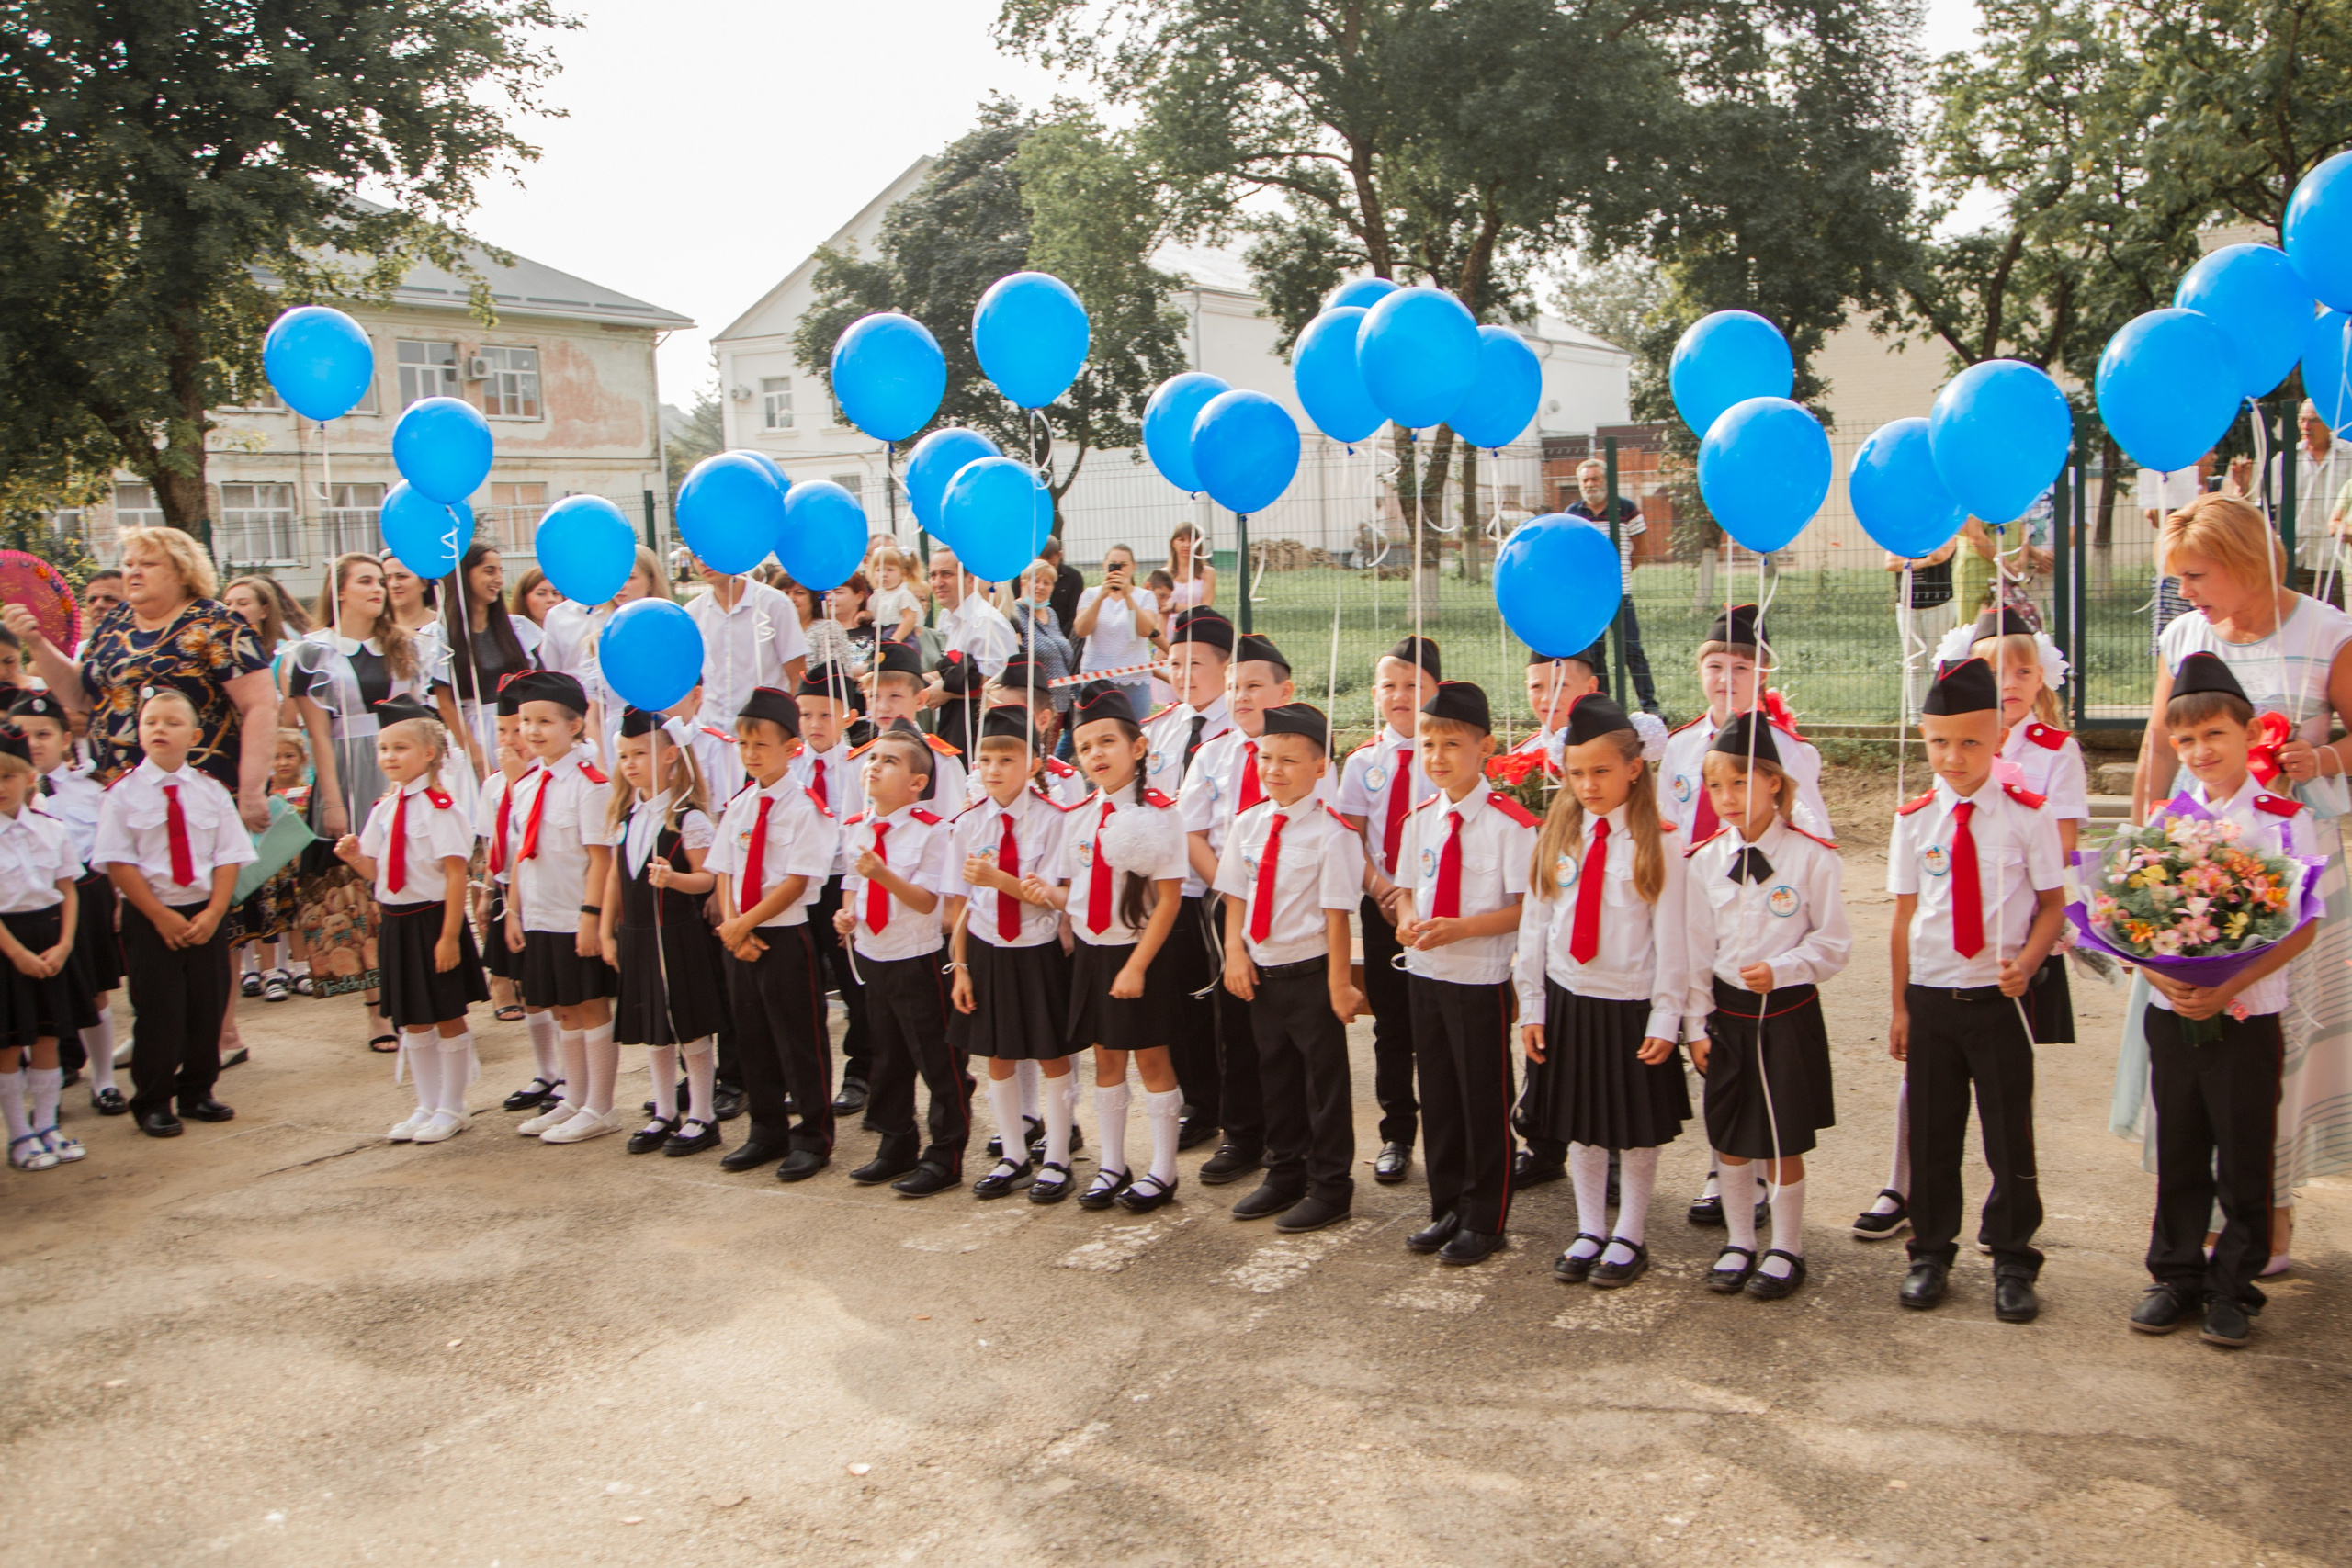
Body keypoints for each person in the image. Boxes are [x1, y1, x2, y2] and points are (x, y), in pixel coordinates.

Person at [2127, 492, 2352, 1278]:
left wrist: (2320, 760)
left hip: (2295, 877)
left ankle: (2270, 1220)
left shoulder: (2327, 631)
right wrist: (2144, 853)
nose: (2185, 592)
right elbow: (2160, 745)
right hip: (2195, 882)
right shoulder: (2184, 635)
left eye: (2197, 573)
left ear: (2245, 561)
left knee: (2273, 1050)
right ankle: (2199, 1230)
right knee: (2198, 1049)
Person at [2125, 652, 2319, 1348]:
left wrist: (2229, 984)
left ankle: (2234, 1284)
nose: (2200, 752)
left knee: (2243, 1155)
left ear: (2249, 733)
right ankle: (2175, 1274)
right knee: (2177, 1146)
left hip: (2247, 1014)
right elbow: (2134, 917)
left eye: (2214, 735)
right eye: (2185, 741)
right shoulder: (2166, 819)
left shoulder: (2282, 817)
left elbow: (2305, 924)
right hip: (2173, 1012)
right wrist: (2161, 977)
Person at [1887, 657, 2065, 1323]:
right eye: (1938, 740)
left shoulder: (2026, 815)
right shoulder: (1915, 819)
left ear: (1997, 735)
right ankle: (1930, 1251)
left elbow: (2053, 904)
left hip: (1999, 1002)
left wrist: (2029, 957)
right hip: (1932, 999)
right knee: (1933, 1135)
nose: (1953, 756)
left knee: (2007, 1134)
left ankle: (2014, 1258)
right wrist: (1900, 1005)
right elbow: (1904, 918)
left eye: (1969, 741)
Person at [1518, 692, 1682, 1283]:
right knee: (1582, 1122)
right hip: (1568, 999)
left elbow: (1673, 942)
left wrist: (1668, 1018)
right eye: (1577, 773)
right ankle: (1590, 1228)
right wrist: (1532, 1005)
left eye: (1602, 772)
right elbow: (1535, 925)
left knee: (1632, 1128)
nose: (1588, 785)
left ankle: (1630, 1235)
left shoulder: (1660, 841)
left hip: (1630, 1004)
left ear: (1635, 768)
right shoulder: (1558, 833)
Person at [1685, 715, 1850, 1300]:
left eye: (1739, 783)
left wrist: (1784, 969)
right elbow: (1695, 952)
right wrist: (1694, 1026)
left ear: (1774, 782)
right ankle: (1738, 1241)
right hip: (1725, 1018)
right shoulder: (1702, 862)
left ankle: (1786, 1247)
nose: (1726, 798)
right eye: (1715, 787)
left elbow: (1834, 944)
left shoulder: (1812, 859)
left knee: (1782, 1138)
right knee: (1728, 1134)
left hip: (1785, 1014)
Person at [1, 526, 275, 827]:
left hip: (200, 798)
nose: (134, 572)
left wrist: (251, 792)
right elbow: (79, 696)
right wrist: (37, 643)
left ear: (183, 572)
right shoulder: (116, 621)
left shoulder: (218, 624)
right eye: (129, 564)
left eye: (148, 564)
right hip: (120, 797)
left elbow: (260, 706)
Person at [1216, 701, 1364, 1234]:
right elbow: (1234, 895)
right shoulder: (1249, 824)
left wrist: (1340, 984)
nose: (1273, 770)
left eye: (1289, 761)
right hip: (1261, 973)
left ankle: (1331, 1187)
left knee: (1322, 1087)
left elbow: (1336, 915)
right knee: (1274, 1078)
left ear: (1321, 766)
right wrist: (1234, 953)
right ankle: (1284, 1173)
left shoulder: (1334, 834)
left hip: (1311, 976)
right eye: (1266, 757)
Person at [1052, 681, 1190, 1213]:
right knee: (1105, 1059)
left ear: (1138, 747)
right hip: (1093, 954)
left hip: (1141, 956)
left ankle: (1164, 1169)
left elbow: (1170, 903)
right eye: (1085, 746)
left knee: (1152, 1060)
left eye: (1107, 741)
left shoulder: (1163, 812)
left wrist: (1135, 967)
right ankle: (1112, 1163)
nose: (1095, 754)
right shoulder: (1079, 817)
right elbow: (1077, 893)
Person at [94, 689, 257, 1137]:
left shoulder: (211, 791)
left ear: (195, 735)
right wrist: (160, 916)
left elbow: (228, 856)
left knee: (207, 1005)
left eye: (171, 722)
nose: (159, 730)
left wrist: (215, 912)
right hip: (151, 915)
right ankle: (153, 1100)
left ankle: (197, 1090)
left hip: (205, 911)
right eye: (150, 722)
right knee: (159, 1010)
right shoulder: (121, 794)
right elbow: (118, 862)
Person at [288, 553, 436, 1042]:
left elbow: (421, 719)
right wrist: (332, 802)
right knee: (356, 894)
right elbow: (317, 737)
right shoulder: (313, 653)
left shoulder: (404, 647)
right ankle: (377, 1008)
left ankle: (418, 995)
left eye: (382, 581)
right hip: (347, 775)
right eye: (366, 581)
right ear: (340, 590)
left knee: (408, 880)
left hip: (399, 769)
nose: (379, 588)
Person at [334, 697, 486, 1145]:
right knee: (411, 1019)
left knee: (446, 1015)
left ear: (429, 754)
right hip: (397, 924)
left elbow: (457, 873)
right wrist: (354, 858)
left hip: (433, 921)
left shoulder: (442, 808)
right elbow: (379, 874)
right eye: (384, 749)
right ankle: (425, 1103)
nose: (389, 757)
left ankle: (453, 1106)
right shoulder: (382, 809)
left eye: (400, 748)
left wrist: (450, 937)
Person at [1180, 631, 1302, 1186]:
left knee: (1289, 1030)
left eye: (1254, 685)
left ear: (1285, 691)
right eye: (1233, 687)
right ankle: (1242, 1135)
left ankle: (1293, 1142)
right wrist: (1234, 892)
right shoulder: (1211, 755)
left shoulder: (1303, 753)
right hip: (1227, 902)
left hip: (1293, 910)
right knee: (1234, 1023)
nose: (1241, 696)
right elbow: (1194, 834)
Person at [707, 686, 837, 1180]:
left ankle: (813, 1136)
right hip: (740, 942)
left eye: (761, 745)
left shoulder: (806, 808)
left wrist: (746, 923)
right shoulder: (740, 805)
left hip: (783, 938)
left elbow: (797, 880)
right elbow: (722, 869)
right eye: (743, 746)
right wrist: (731, 926)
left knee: (798, 1040)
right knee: (752, 1038)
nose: (751, 755)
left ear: (791, 747)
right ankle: (766, 1131)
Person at [950, 708, 1078, 1201]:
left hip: (1037, 951)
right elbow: (960, 903)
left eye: (1008, 758)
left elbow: (1048, 893)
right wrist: (959, 967)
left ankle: (1059, 1158)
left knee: (1051, 1055)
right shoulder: (967, 823)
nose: (995, 769)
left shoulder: (1052, 821)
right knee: (998, 1057)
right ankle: (1013, 1155)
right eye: (986, 759)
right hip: (987, 951)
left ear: (1034, 763)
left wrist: (1000, 880)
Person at [835, 729, 967, 1196]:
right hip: (874, 955)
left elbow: (928, 901)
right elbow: (852, 882)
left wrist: (882, 874)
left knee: (937, 1058)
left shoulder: (934, 830)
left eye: (889, 761)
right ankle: (896, 1145)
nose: (874, 766)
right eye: (872, 759)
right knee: (888, 1056)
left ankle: (946, 1154)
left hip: (917, 957)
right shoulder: (857, 826)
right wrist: (846, 912)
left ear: (916, 782)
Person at [1147, 609, 1254, 1175]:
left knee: (1224, 1012)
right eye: (1175, 662)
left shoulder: (1239, 731)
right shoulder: (1159, 728)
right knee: (1181, 1002)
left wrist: (1225, 883)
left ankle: (1236, 1116)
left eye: (1196, 664)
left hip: (1221, 890)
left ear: (1225, 668)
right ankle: (1199, 1103)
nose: (1183, 673)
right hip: (1169, 890)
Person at [502, 671, 624, 1145]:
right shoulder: (528, 783)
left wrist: (592, 917)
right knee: (562, 1009)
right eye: (526, 721)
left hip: (575, 916)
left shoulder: (590, 785)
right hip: (538, 915)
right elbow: (521, 854)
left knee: (590, 1005)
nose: (532, 731)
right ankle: (573, 1098)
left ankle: (601, 1105)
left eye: (545, 721)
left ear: (575, 725)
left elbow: (600, 858)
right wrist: (511, 912)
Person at [599, 709, 728, 1159]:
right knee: (653, 1026)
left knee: (688, 1027)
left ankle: (702, 1115)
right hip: (636, 934)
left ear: (671, 755)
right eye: (623, 756)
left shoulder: (686, 818)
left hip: (676, 935)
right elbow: (614, 879)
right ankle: (665, 1111)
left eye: (640, 753)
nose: (630, 764)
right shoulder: (625, 816)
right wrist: (605, 930)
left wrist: (674, 880)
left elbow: (708, 878)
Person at [1337, 636, 1442, 1186]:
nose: (1400, 696)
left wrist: (1414, 898)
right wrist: (1381, 888)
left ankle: (1453, 1129)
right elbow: (1351, 835)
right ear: (1376, 693)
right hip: (1380, 907)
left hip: (1435, 912)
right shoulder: (1361, 763)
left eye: (1413, 686)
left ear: (1435, 690)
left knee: (1439, 1025)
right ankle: (1397, 1132)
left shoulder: (1442, 755)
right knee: (1392, 1027)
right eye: (1390, 686)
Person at [16, 694, 123, 1112]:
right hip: (29, 904)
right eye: (24, 736)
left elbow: (109, 849)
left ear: (65, 739)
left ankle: (104, 1081)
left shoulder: (91, 790)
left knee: (93, 991)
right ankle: (47, 1090)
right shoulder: (9, 796)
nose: (35, 743)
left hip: (87, 894)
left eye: (44, 734)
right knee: (33, 997)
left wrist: (117, 899)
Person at [0, 725, 87, 1171]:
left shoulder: (50, 829)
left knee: (51, 1035)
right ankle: (19, 1134)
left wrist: (66, 943)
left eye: (8, 776)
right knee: (10, 1044)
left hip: (51, 939)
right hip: (6, 945)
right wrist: (15, 954)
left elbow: (68, 889)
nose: (0, 787)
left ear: (29, 777)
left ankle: (47, 1125)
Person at [435, 542, 541, 781]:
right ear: (465, 574)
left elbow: (537, 683)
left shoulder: (516, 628)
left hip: (519, 731)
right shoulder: (441, 636)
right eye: (489, 571)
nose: (498, 580)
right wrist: (473, 752)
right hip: (473, 733)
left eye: (500, 571)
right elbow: (445, 704)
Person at [1564, 457, 1658, 715]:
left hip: (1620, 594)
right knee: (1595, 655)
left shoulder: (1626, 509)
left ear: (1606, 481)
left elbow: (1641, 549)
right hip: (1589, 600)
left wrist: (1619, 573)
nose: (1590, 484)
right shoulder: (1573, 514)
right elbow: (1569, 554)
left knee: (1632, 650)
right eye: (1585, 480)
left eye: (1595, 479)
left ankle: (1650, 707)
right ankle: (1603, 708)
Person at [925, 548, 1016, 761]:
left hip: (983, 735)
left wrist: (946, 691)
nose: (938, 582)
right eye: (933, 575)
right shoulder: (952, 620)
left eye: (946, 574)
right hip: (957, 727)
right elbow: (955, 670)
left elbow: (997, 684)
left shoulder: (984, 622)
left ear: (969, 577)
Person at [1071, 544, 1160, 718]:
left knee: (1136, 728)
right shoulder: (1090, 594)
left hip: (1134, 677)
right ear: (1104, 566)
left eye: (1123, 565)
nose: (1118, 569)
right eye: (1113, 564)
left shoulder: (1145, 596)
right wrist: (1101, 597)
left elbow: (1146, 630)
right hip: (1097, 676)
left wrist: (1127, 595)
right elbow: (1081, 630)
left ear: (1133, 567)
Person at [2141, 453, 2218, 649]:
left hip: (2207, 569)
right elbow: (2154, 518)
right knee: (2171, 635)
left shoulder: (2217, 486)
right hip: (2175, 567)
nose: (2214, 457)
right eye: (2210, 451)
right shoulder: (2172, 481)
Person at [1885, 537, 1961, 723]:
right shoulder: (1901, 533)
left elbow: (1941, 555)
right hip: (1907, 604)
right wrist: (1925, 561)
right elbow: (1890, 563)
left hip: (1938, 602)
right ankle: (1916, 718)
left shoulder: (1945, 531)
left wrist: (1908, 563)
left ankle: (1941, 715)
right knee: (1914, 663)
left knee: (1937, 662)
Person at [866, 547, 924, 645]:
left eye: (890, 570)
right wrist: (865, 615)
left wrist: (896, 638)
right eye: (878, 570)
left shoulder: (902, 594)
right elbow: (874, 614)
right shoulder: (877, 595)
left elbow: (910, 618)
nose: (883, 574)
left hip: (899, 634)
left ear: (903, 573)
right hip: (881, 633)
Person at [1040, 536, 1085, 639]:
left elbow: (1074, 614)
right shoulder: (1024, 577)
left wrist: (1058, 639)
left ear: (1059, 555)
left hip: (1064, 637)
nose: (1047, 571)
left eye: (1051, 565)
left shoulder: (1074, 577)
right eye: (1041, 566)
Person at [1167, 522, 1216, 611]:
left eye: (1192, 540)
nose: (1187, 545)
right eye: (1181, 540)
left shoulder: (1208, 573)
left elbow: (1206, 609)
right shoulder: (1164, 574)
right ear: (1173, 543)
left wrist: (1174, 607)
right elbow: (1161, 608)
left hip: (1198, 624)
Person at [510, 567, 564, 633]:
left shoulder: (572, 633)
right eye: (541, 594)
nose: (551, 599)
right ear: (524, 598)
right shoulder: (511, 634)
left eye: (556, 593)